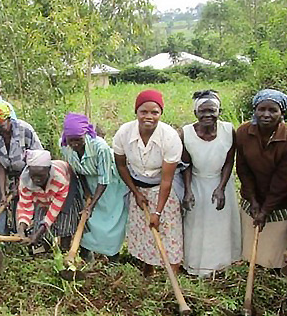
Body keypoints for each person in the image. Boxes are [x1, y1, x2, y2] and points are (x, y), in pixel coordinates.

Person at [113, 89, 183, 276]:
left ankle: (172, 278)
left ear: (161, 114)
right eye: (144, 112)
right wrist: (135, 193)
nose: (149, 117)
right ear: (136, 112)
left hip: (164, 190)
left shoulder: (169, 137)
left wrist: (158, 211)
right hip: (138, 188)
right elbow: (121, 166)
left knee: (169, 233)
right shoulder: (124, 133)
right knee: (144, 232)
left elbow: (167, 179)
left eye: (155, 112)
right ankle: (148, 273)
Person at [236, 89, 287, 271]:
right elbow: (243, 169)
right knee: (250, 249)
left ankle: (276, 270)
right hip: (252, 193)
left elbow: (284, 179)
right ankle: (250, 264)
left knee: (273, 254)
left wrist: (266, 209)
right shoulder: (243, 132)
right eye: (261, 109)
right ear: (255, 110)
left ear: (282, 114)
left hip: (280, 198)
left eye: (273, 110)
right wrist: (254, 201)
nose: (266, 115)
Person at [181, 90, 241, 276]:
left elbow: (229, 161)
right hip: (197, 182)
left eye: (212, 111)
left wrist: (221, 188)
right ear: (195, 113)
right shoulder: (186, 133)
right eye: (203, 111)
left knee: (220, 224)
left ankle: (220, 265)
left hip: (220, 183)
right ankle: (195, 266)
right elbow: (186, 165)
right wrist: (188, 190)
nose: (208, 115)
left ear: (219, 111)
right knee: (196, 224)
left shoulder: (228, 130)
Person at [60, 113, 128, 260]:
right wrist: (86, 193)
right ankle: (86, 254)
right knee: (89, 222)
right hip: (88, 182)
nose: (75, 144)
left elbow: (104, 179)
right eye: (71, 140)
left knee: (109, 222)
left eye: (78, 140)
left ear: (85, 134)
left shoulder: (100, 147)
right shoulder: (65, 146)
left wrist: (92, 205)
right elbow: (77, 171)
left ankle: (113, 257)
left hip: (109, 185)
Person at [0, 101, 42, 233]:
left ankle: (38, 241)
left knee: (33, 207)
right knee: (16, 207)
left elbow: (37, 159)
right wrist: (3, 193)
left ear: (8, 120)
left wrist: (23, 183)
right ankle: (19, 236)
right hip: (10, 174)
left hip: (32, 173)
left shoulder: (24, 129)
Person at [16, 149, 83, 249]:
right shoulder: (25, 181)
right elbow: (25, 207)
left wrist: (38, 233)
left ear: (49, 171)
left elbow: (54, 209)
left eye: (41, 176)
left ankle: (64, 248)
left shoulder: (59, 178)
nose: (36, 179)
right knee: (41, 213)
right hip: (44, 195)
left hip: (67, 185)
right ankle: (46, 248)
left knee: (65, 218)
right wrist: (21, 229)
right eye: (33, 176)